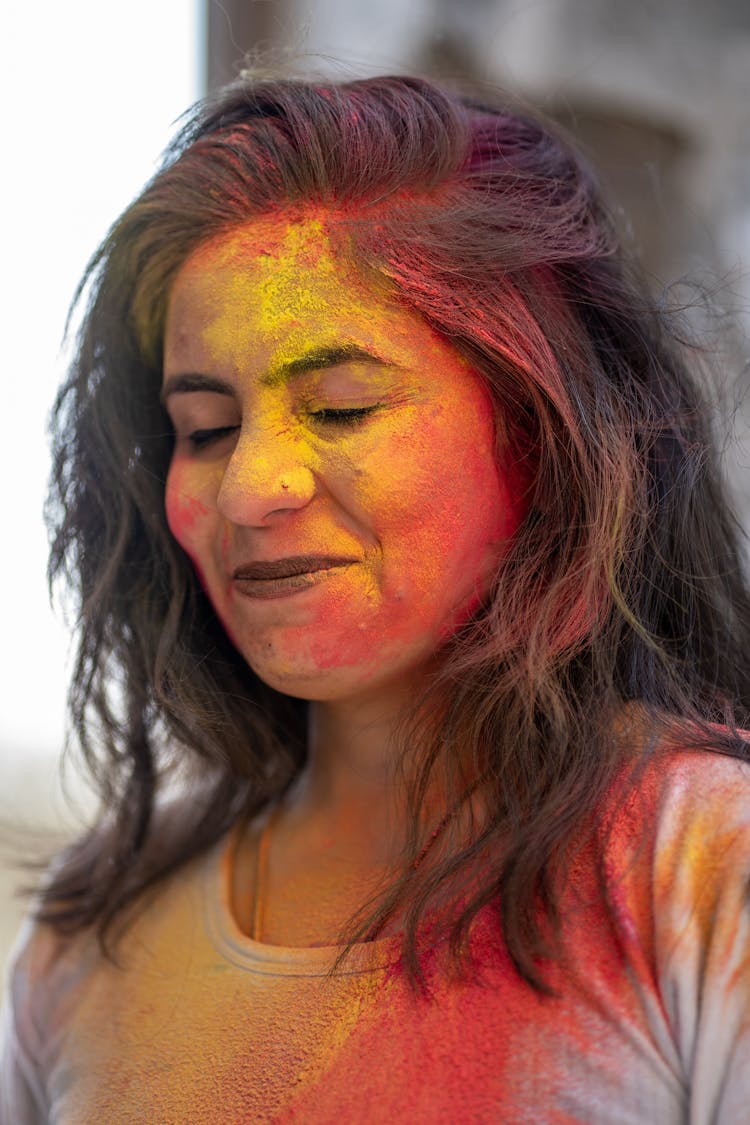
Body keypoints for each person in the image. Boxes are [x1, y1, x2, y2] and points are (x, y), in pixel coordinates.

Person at [2, 71, 750, 1124]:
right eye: (205, 430)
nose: (253, 490)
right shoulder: (95, 931)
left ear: (543, 431)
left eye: (342, 407)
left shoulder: (705, 869)